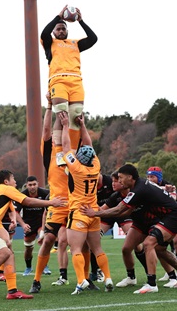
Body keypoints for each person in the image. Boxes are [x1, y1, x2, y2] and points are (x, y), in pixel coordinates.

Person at [80, 164, 177, 294]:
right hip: (150, 220)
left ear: (130, 177)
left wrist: (94, 213)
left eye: (121, 178)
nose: (119, 181)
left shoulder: (139, 189)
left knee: (149, 243)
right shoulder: (136, 187)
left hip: (173, 216)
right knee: (142, 248)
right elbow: (123, 212)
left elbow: (119, 209)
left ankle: (152, 283)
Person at [0, 169, 65, 301]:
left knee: (8, 253)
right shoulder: (5, 188)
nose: (15, 182)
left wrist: (13, 220)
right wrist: (51, 203)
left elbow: (11, 209)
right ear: (6, 181)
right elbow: (28, 201)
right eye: (13, 179)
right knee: (4, 252)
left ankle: (12, 290)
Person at [58, 111, 113, 295]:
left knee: (75, 249)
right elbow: (89, 144)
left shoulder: (77, 168)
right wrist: (82, 125)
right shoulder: (95, 166)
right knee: (97, 248)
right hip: (94, 212)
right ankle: (108, 278)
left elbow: (66, 147)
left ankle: (81, 281)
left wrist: (66, 125)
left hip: (79, 212)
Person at [29, 93, 72, 294]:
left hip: (75, 203)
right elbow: (47, 129)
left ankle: (86, 277)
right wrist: (48, 106)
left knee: (77, 241)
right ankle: (36, 280)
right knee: (48, 240)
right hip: (57, 204)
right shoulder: (50, 153)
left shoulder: (72, 153)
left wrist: (72, 121)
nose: (56, 138)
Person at [41, 5, 98, 150]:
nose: (61, 31)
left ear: (67, 31)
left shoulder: (75, 43)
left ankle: (71, 148)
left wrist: (81, 21)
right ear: (54, 31)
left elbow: (93, 38)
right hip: (58, 80)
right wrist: (58, 17)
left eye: (63, 29)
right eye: (58, 29)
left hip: (76, 81)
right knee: (62, 115)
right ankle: (59, 150)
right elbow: (44, 33)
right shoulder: (50, 43)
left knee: (75, 117)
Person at [145, 166, 177, 288]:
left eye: (152, 177)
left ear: (159, 178)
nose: (149, 179)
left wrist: (160, 188)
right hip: (166, 217)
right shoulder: (148, 187)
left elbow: (173, 198)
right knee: (160, 246)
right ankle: (174, 273)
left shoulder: (169, 187)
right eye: (148, 177)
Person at [18, 175, 51, 276]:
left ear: (38, 184)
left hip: (42, 222)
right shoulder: (22, 195)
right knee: (28, 247)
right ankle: (28, 267)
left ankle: (44, 265)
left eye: (34, 184)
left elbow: (49, 209)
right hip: (29, 224)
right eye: (30, 185)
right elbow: (16, 212)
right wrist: (23, 225)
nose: (32, 187)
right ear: (26, 185)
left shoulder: (45, 193)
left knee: (45, 242)